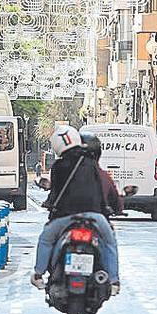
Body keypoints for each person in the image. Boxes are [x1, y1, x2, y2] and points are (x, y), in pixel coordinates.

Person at [32, 125, 120, 294]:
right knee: (109, 242)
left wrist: (50, 205)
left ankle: (38, 274)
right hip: (94, 216)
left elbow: (55, 194)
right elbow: (99, 191)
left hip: (66, 217)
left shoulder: (58, 167)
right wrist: (104, 210)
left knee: (46, 239)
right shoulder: (91, 165)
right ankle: (114, 281)